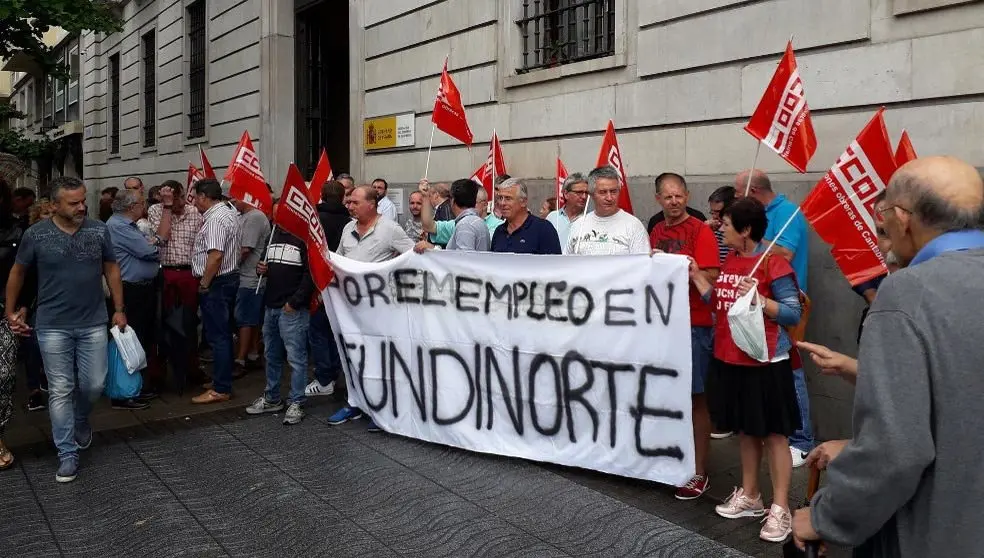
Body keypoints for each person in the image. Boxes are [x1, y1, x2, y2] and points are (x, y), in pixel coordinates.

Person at [793, 156, 984, 556]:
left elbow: (896, 452)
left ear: (901, 218)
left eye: (881, 222)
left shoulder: (905, 294)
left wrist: (826, 516)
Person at [688, 197, 802, 543]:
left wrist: (761, 300)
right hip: (730, 358)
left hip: (765, 362)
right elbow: (719, 303)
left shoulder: (774, 266)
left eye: (726, 224)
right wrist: (696, 276)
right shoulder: (734, 260)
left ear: (746, 229)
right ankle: (751, 495)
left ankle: (780, 507)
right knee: (746, 431)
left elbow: (792, 313)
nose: (720, 228)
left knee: (774, 435)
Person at [5, 176, 128, 483]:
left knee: (94, 384)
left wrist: (120, 308)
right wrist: (10, 310)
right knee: (60, 389)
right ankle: (67, 453)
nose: (81, 207)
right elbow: (18, 272)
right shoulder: (36, 234)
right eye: (73, 203)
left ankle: (82, 419)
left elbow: (112, 267)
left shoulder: (99, 230)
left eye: (83, 200)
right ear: (54, 204)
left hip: (92, 322)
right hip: (52, 325)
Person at [648, 172, 720, 500]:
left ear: (687, 196)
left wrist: (689, 268)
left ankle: (700, 471)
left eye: (679, 196)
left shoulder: (701, 230)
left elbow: (713, 276)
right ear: (658, 199)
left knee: (696, 399)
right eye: (668, 196)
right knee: (668, 396)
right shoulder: (656, 231)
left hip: (695, 325)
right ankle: (673, 461)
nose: (674, 202)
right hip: (663, 325)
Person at [738, 168, 814, 467]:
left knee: (792, 372)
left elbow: (785, 254)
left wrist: (750, 237)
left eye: (738, 192)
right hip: (758, 302)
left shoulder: (788, 213)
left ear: (753, 191)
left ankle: (802, 440)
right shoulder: (768, 212)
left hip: (786, 302)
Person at [326, 186, 414, 431]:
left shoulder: (390, 229)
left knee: (379, 359)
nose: (349, 206)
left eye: (354, 202)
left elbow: (413, 256)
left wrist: (425, 250)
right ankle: (355, 403)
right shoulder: (347, 228)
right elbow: (338, 260)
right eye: (349, 202)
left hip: (379, 310)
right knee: (353, 356)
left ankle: (383, 409)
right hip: (350, 309)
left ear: (372, 204)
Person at [246, 223, 314, 425]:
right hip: (271, 305)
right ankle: (272, 398)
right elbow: (265, 266)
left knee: (295, 357)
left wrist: (294, 302)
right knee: (271, 354)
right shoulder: (273, 235)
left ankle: (297, 401)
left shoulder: (303, 239)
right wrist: (261, 270)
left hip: (292, 308)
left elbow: (309, 274)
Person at [106, 189, 162, 409]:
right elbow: (147, 251)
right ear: (131, 207)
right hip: (130, 290)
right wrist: (157, 243)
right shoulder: (119, 226)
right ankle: (122, 393)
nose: (144, 206)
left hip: (141, 289)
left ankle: (135, 387)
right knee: (128, 340)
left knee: (139, 339)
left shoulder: (127, 226)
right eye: (141, 203)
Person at [149, 180, 205, 389]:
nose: (179, 202)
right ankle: (158, 372)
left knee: (189, 324)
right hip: (165, 272)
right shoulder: (156, 210)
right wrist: (167, 207)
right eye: (175, 198)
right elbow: (160, 238)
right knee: (162, 323)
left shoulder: (194, 213)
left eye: (181, 197)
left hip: (188, 273)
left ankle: (191, 368)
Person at [189, 179, 241, 404]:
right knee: (223, 335)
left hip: (217, 282)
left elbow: (216, 255)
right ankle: (221, 379)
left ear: (203, 196)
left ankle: (221, 388)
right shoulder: (228, 212)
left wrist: (204, 283)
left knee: (218, 336)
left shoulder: (216, 220)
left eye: (195, 197)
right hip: (226, 280)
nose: (194, 202)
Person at [306, 180, 350, 397]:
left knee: (319, 333)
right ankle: (336, 373)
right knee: (335, 333)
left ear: (321, 195)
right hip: (343, 285)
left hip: (318, 284)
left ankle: (324, 377)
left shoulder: (315, 221)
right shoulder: (349, 222)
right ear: (343, 197)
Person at [567, 166, 649, 255]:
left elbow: (642, 264)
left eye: (613, 191)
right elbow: (566, 264)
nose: (609, 198)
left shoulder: (634, 226)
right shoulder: (578, 225)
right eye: (603, 192)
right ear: (591, 194)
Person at [0, 179, 24, 469]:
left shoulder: (16, 231)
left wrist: (23, 306)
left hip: (4, 313)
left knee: (4, 376)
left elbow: (24, 273)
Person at [232, 198, 271, 376]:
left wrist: (229, 266)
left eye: (233, 198)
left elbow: (245, 249)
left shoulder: (254, 217)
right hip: (249, 277)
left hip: (250, 278)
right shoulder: (245, 216)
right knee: (251, 318)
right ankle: (253, 354)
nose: (231, 202)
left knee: (245, 319)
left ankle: (240, 360)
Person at [489, 178, 562, 255]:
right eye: (500, 198)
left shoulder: (543, 229)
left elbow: (554, 265)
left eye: (508, 198)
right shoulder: (499, 231)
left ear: (523, 202)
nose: (502, 203)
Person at [415, 179, 489, 252]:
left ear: (453, 200)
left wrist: (434, 249)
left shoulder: (465, 225)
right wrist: (425, 196)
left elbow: (463, 259)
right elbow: (428, 226)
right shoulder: (475, 222)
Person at [545, 173, 589, 251]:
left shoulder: (589, 220)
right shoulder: (552, 217)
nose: (584, 197)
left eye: (586, 193)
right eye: (579, 192)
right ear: (566, 194)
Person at [707, 186, 737, 266]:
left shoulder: (741, 233)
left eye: (718, 212)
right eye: (712, 212)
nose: (714, 217)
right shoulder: (712, 230)